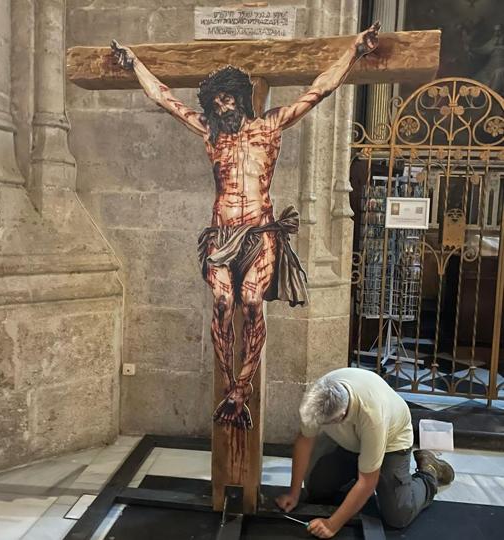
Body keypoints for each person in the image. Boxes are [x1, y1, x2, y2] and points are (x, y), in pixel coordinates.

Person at [110, 23, 380, 429]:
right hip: (220, 235)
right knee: (221, 305)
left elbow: (319, 89)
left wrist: (355, 51)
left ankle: (243, 387)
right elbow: (164, 98)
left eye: (227, 98)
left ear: (241, 98)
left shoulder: (269, 127)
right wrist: (134, 65)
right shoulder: (210, 134)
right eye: (215, 101)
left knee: (253, 303)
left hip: (258, 234)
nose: (222, 107)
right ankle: (228, 385)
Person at [276, 367, 455, 539]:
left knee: (398, 514)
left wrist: (332, 524)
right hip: (349, 442)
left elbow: (368, 481)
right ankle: (359, 471)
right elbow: (305, 441)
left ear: (340, 416)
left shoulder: (372, 415)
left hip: (392, 441)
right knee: (316, 488)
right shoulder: (318, 397)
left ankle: (430, 471)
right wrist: (293, 493)